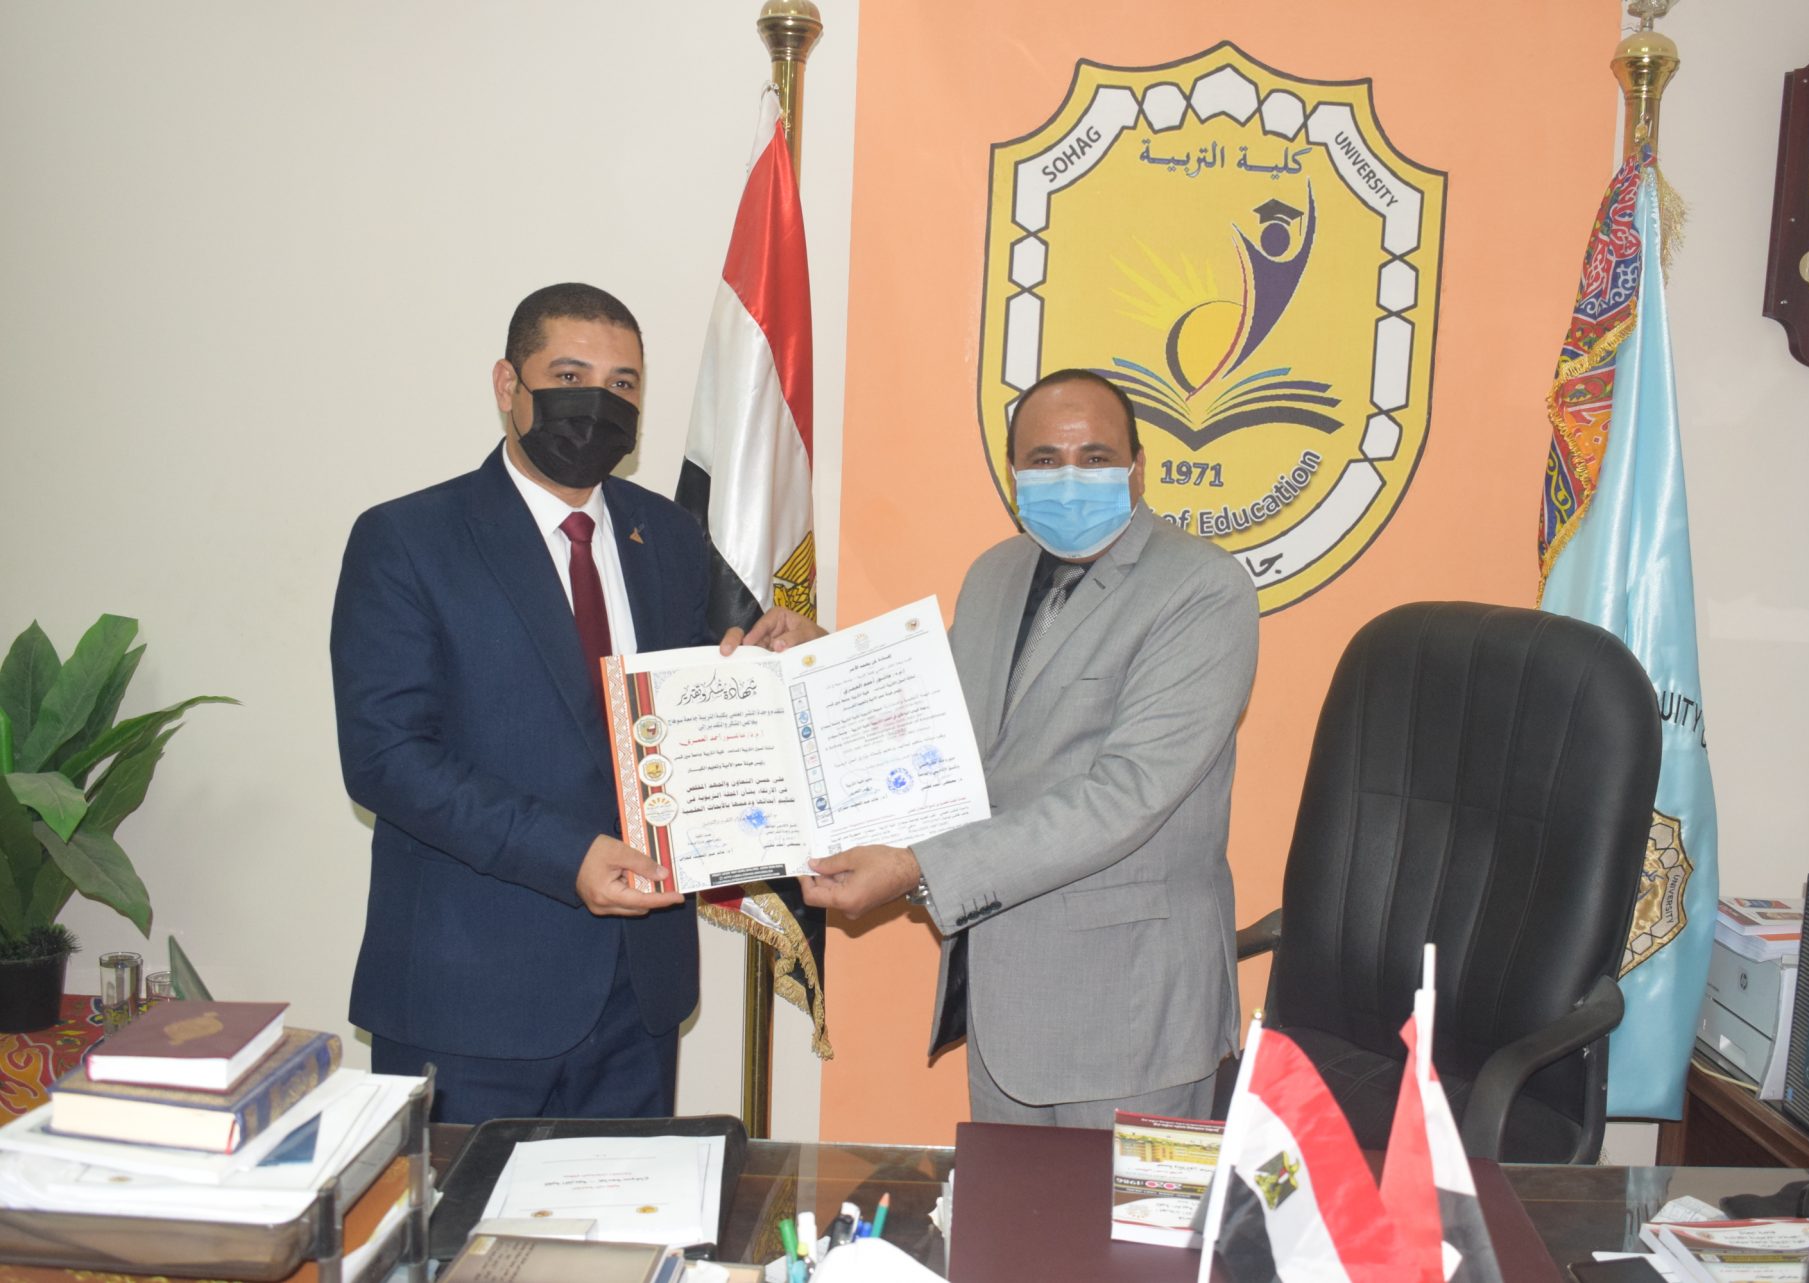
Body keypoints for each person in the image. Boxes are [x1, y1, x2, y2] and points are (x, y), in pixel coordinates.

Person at [330, 282, 809, 1122]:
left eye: (623, 384)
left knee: (630, 1212)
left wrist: (781, 668)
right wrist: (567, 855)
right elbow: (387, 758)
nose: (598, 402)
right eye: (569, 375)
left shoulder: (668, 535)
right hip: (468, 998)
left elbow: (691, 713)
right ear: (507, 384)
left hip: (639, 998)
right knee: (461, 1215)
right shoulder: (407, 539)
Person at [797, 368, 1259, 1125]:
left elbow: (1126, 797)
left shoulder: (1201, 590)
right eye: (1045, 459)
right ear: (1014, 475)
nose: (1069, 478)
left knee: (1122, 1213)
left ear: (1138, 468)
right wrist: (813, 666)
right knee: (1012, 1205)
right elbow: (935, 720)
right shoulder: (996, 573)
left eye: (1095, 457)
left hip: (1131, 1017)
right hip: (1004, 1000)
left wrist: (919, 866)